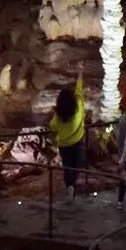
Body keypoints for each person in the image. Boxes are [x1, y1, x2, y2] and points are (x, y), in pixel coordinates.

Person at [51, 70, 87, 200]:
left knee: (67, 165)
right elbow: (79, 91)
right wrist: (80, 74)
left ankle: (70, 186)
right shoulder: (78, 108)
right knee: (77, 163)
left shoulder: (59, 115)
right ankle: (74, 182)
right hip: (77, 141)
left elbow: (53, 127)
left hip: (64, 144)